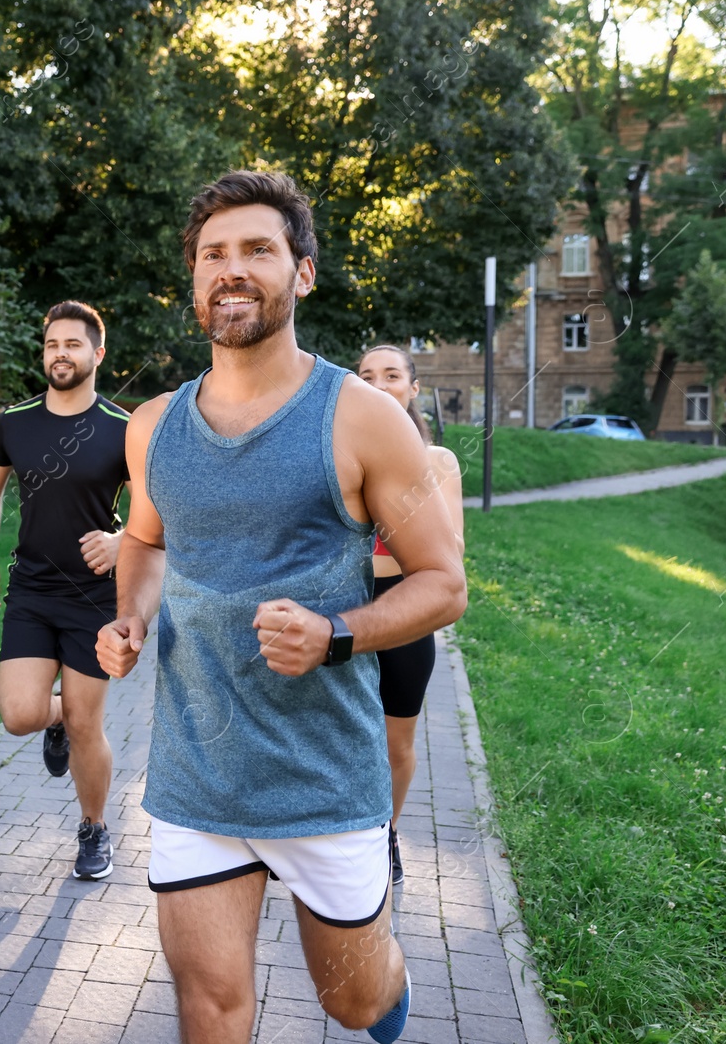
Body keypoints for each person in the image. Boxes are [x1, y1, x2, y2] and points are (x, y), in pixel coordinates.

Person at [97, 170, 467, 1044]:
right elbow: (145, 542)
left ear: (302, 272)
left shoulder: (364, 417)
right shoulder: (151, 425)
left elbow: (442, 582)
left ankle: (388, 975)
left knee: (354, 1002)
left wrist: (338, 633)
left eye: (258, 249)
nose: (233, 270)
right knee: (210, 1004)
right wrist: (132, 618)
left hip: (325, 778)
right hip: (197, 774)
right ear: (192, 279)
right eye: (213, 255)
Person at [0, 301, 131, 881]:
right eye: (51, 345)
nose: (59, 354)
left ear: (97, 353)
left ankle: (93, 829)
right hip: (32, 588)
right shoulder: (14, 422)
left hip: (94, 597)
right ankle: (57, 717)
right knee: (18, 716)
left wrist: (122, 540)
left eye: (72, 344)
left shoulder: (122, 428)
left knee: (91, 726)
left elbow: (161, 516)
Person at [356, 344, 465, 886]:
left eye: (392, 375)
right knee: (339, 733)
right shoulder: (342, 455)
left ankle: (387, 833)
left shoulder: (437, 462)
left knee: (396, 743)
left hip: (405, 614)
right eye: (367, 375)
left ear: (414, 387)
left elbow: (451, 555)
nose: (379, 384)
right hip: (341, 611)